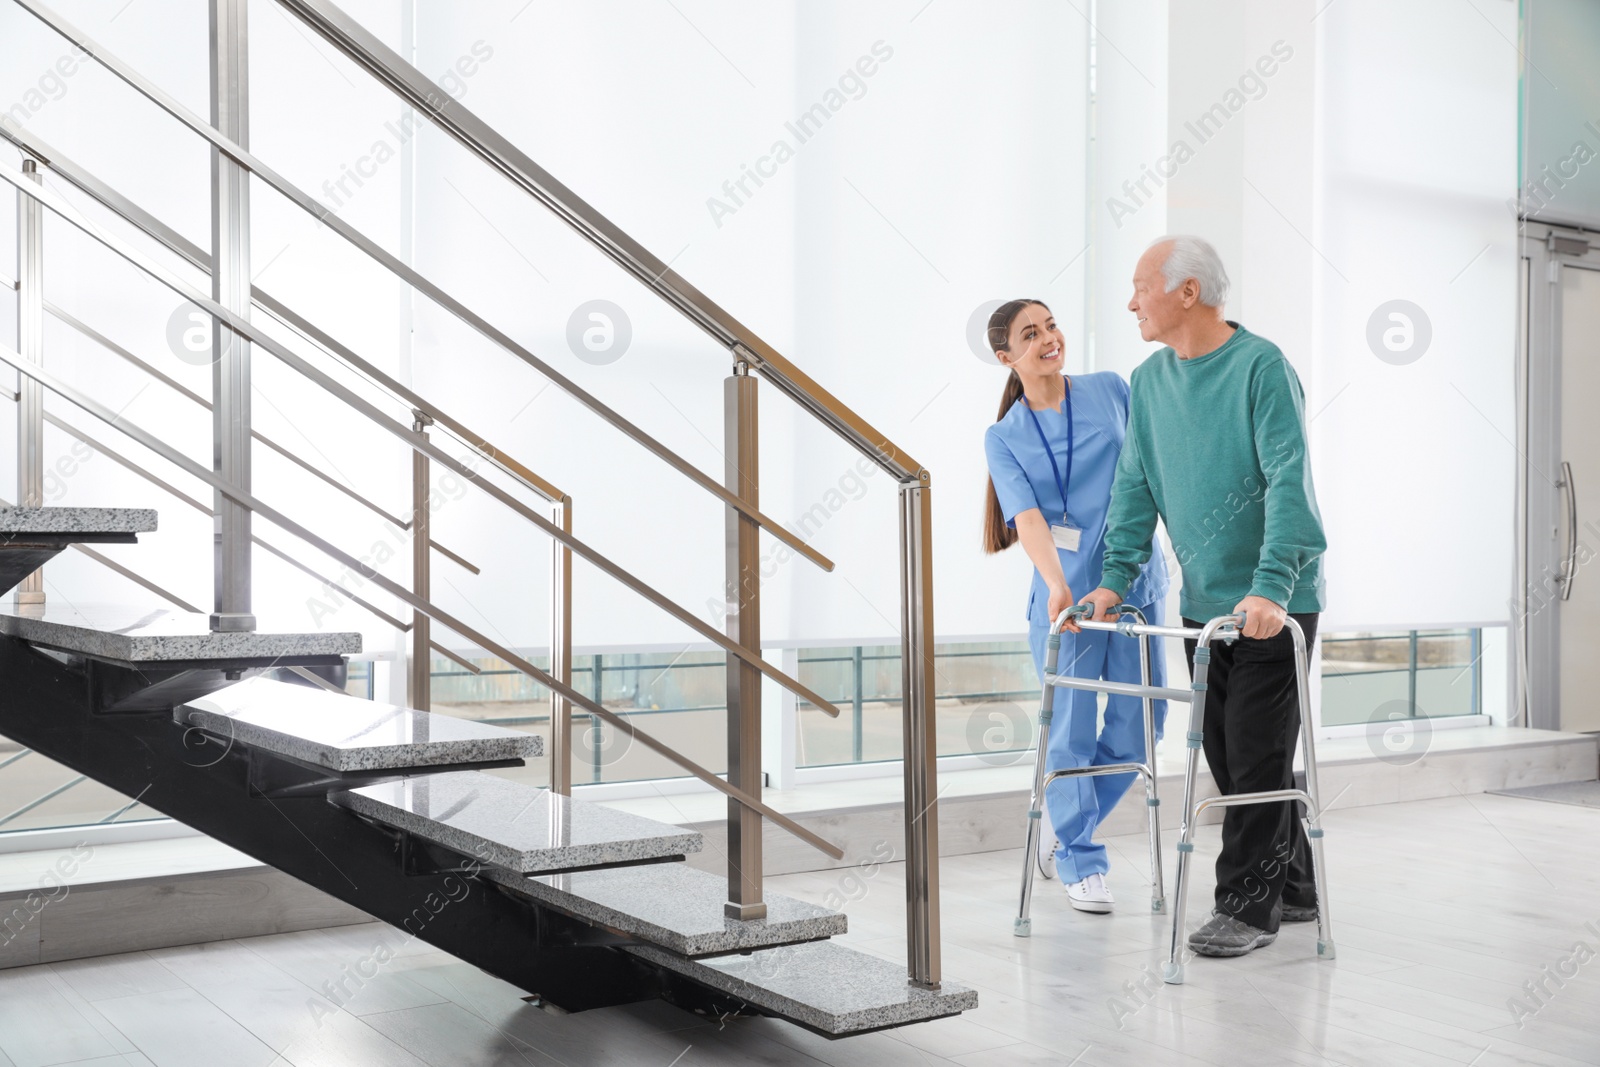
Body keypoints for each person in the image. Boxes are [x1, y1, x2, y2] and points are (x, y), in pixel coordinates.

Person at [1076, 236, 1327, 957]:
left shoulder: (1261, 368)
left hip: (1273, 601)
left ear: (1188, 291)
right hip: (1207, 605)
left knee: (1252, 748)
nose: (1131, 302)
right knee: (1230, 750)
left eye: (1141, 286)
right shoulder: (1150, 381)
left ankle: (1248, 909)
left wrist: (1272, 586)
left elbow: (1290, 480)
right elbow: (1134, 488)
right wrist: (1114, 579)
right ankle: (1298, 883)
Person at [981, 298, 1169, 914]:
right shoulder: (1004, 436)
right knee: (1069, 731)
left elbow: (1152, 469)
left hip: (1135, 585)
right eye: (1030, 334)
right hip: (1065, 598)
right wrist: (1057, 582)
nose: (1048, 339)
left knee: (1143, 728)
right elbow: (1029, 518)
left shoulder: (1111, 389)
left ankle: (1061, 833)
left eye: (1051, 325)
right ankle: (1081, 858)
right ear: (1007, 357)